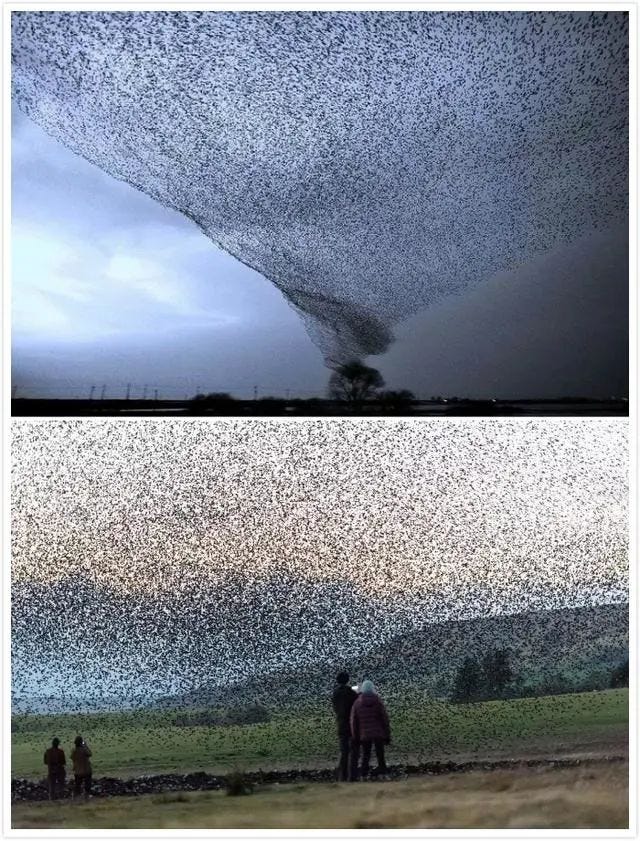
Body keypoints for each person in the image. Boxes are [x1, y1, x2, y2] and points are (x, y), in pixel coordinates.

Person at [350, 679, 390, 780]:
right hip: (378, 733)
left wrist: (355, 736)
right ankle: (383, 774)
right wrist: (387, 733)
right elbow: (384, 718)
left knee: (366, 755)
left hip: (364, 734)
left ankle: (363, 775)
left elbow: (354, 721)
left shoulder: (357, 703)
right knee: (380, 755)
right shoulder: (377, 701)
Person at [331, 670, 358, 782]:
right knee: (354, 751)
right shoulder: (351, 693)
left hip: (341, 724)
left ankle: (342, 776)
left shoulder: (335, 694)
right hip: (352, 725)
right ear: (347, 680)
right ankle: (352, 776)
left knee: (344, 752)